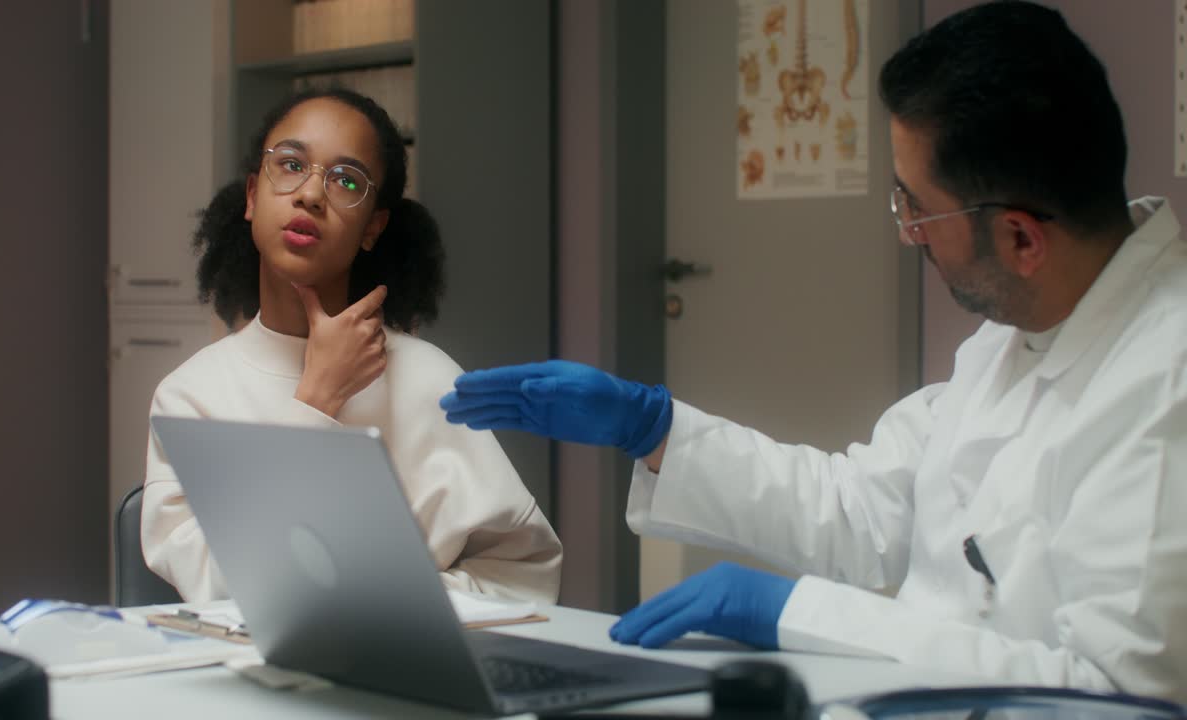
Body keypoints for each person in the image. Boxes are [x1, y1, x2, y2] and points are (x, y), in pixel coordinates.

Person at [440, 1, 1187, 704]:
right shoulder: (1024, 330)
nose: (906, 232)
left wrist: (805, 615)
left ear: (1022, 239)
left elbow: (1117, 698)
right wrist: (656, 429)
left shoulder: (1164, 387)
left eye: (916, 207)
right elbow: (863, 511)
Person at [142, 87, 562, 605]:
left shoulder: (429, 378)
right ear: (252, 197)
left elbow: (525, 571)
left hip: (412, 672)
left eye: (346, 180)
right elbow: (225, 592)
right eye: (291, 164)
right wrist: (318, 399)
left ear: (373, 228)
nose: (311, 195)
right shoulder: (188, 398)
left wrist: (399, 607)